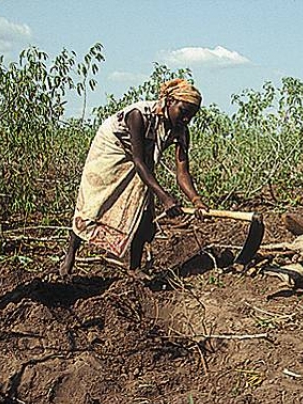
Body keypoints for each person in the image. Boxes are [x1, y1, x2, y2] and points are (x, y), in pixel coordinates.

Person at [60, 78, 209, 278]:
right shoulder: (138, 115)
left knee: (144, 209)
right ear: (170, 101)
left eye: (191, 116)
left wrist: (196, 200)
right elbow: (139, 162)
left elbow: (182, 172)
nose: (186, 119)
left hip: (141, 159)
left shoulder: (181, 130)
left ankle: (134, 267)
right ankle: (70, 254)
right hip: (112, 149)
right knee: (94, 203)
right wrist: (165, 198)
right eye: (183, 112)